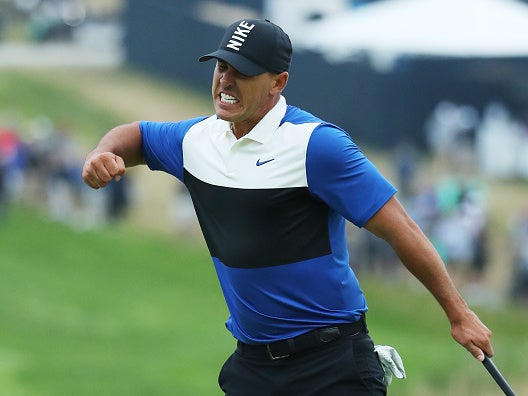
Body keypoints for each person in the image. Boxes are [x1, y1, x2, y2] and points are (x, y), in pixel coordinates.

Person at [82, 18, 493, 395]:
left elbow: (401, 228)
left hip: (332, 365)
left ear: (277, 82)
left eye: (242, 72)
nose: (226, 80)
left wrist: (459, 314)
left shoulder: (317, 145)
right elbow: (134, 135)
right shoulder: (196, 140)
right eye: (221, 67)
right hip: (254, 367)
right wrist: (103, 153)